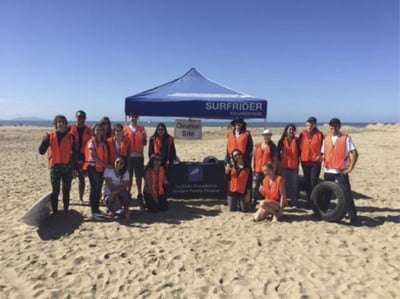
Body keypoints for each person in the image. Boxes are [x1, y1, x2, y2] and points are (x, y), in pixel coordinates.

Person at [321, 118, 359, 223]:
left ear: (339, 126)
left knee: (347, 193)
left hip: (341, 171)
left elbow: (355, 154)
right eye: (331, 126)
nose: (333, 127)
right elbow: (323, 154)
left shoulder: (345, 138)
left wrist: (350, 168)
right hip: (328, 170)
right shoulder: (326, 138)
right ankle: (322, 212)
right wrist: (320, 159)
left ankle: (353, 215)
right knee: (327, 193)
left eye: (335, 125)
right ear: (329, 126)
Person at [39, 115, 78, 214]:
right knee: (55, 190)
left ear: (66, 124)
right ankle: (55, 211)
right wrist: (44, 141)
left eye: (63, 122)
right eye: (58, 122)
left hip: (67, 167)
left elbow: (75, 154)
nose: (61, 124)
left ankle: (66, 209)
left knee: (66, 190)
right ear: (55, 124)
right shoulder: (50, 136)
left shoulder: (71, 137)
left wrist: (75, 169)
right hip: (55, 167)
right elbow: (41, 151)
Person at [83, 123, 111, 216]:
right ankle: (94, 210)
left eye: (100, 130)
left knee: (98, 189)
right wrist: (105, 165)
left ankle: (96, 209)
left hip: (101, 168)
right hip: (93, 167)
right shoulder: (91, 142)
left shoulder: (104, 142)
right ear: (94, 131)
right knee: (94, 189)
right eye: (97, 130)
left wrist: (105, 165)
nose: (99, 131)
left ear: (103, 132)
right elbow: (94, 156)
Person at [299, 116, 324, 208]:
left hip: (315, 163)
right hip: (305, 162)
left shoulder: (319, 135)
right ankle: (309, 201)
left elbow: (324, 148)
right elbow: (299, 147)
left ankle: (315, 202)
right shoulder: (303, 134)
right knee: (307, 182)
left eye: (312, 123)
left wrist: (321, 156)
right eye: (308, 123)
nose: (309, 125)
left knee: (314, 182)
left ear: (315, 125)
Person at [123, 113, 147, 205]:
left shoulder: (141, 129)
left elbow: (144, 143)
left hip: (139, 156)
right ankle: (128, 192)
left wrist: (144, 138)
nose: (133, 118)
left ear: (137, 118)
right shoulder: (125, 129)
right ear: (129, 118)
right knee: (129, 176)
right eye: (131, 117)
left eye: (135, 117)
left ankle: (139, 193)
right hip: (128, 156)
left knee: (138, 176)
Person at [69, 110, 92, 202]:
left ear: (85, 118)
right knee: (69, 178)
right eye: (79, 116)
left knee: (82, 178)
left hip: (83, 156)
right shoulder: (70, 128)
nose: (80, 118)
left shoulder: (89, 129)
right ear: (76, 117)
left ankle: (81, 198)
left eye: (82, 117)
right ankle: (67, 198)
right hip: (72, 155)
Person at [252, 128, 278, 207]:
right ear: (263, 136)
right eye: (265, 135)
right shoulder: (257, 146)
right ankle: (253, 201)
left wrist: (273, 170)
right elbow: (254, 157)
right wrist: (252, 166)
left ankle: (267, 203)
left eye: (268, 135)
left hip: (267, 171)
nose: (266, 137)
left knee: (266, 188)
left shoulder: (273, 147)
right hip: (257, 170)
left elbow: (275, 160)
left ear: (270, 136)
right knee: (255, 187)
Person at [277, 123, 300, 207]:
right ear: (286, 130)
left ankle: (294, 202)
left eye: (292, 129)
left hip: (294, 166)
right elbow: (277, 152)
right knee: (284, 185)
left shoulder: (297, 141)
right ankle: (284, 201)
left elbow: (300, 152)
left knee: (294, 185)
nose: (291, 131)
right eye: (289, 129)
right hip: (284, 166)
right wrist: (279, 162)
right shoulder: (282, 140)